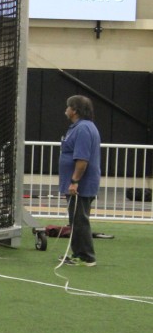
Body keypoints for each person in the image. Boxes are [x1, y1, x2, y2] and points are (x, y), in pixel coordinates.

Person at [58, 95, 102, 267]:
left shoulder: (83, 129)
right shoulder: (80, 127)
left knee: (79, 221)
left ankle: (86, 257)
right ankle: (78, 253)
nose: (66, 109)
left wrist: (75, 181)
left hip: (81, 184)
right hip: (80, 183)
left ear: (74, 110)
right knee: (77, 220)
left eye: (68, 106)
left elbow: (82, 159)